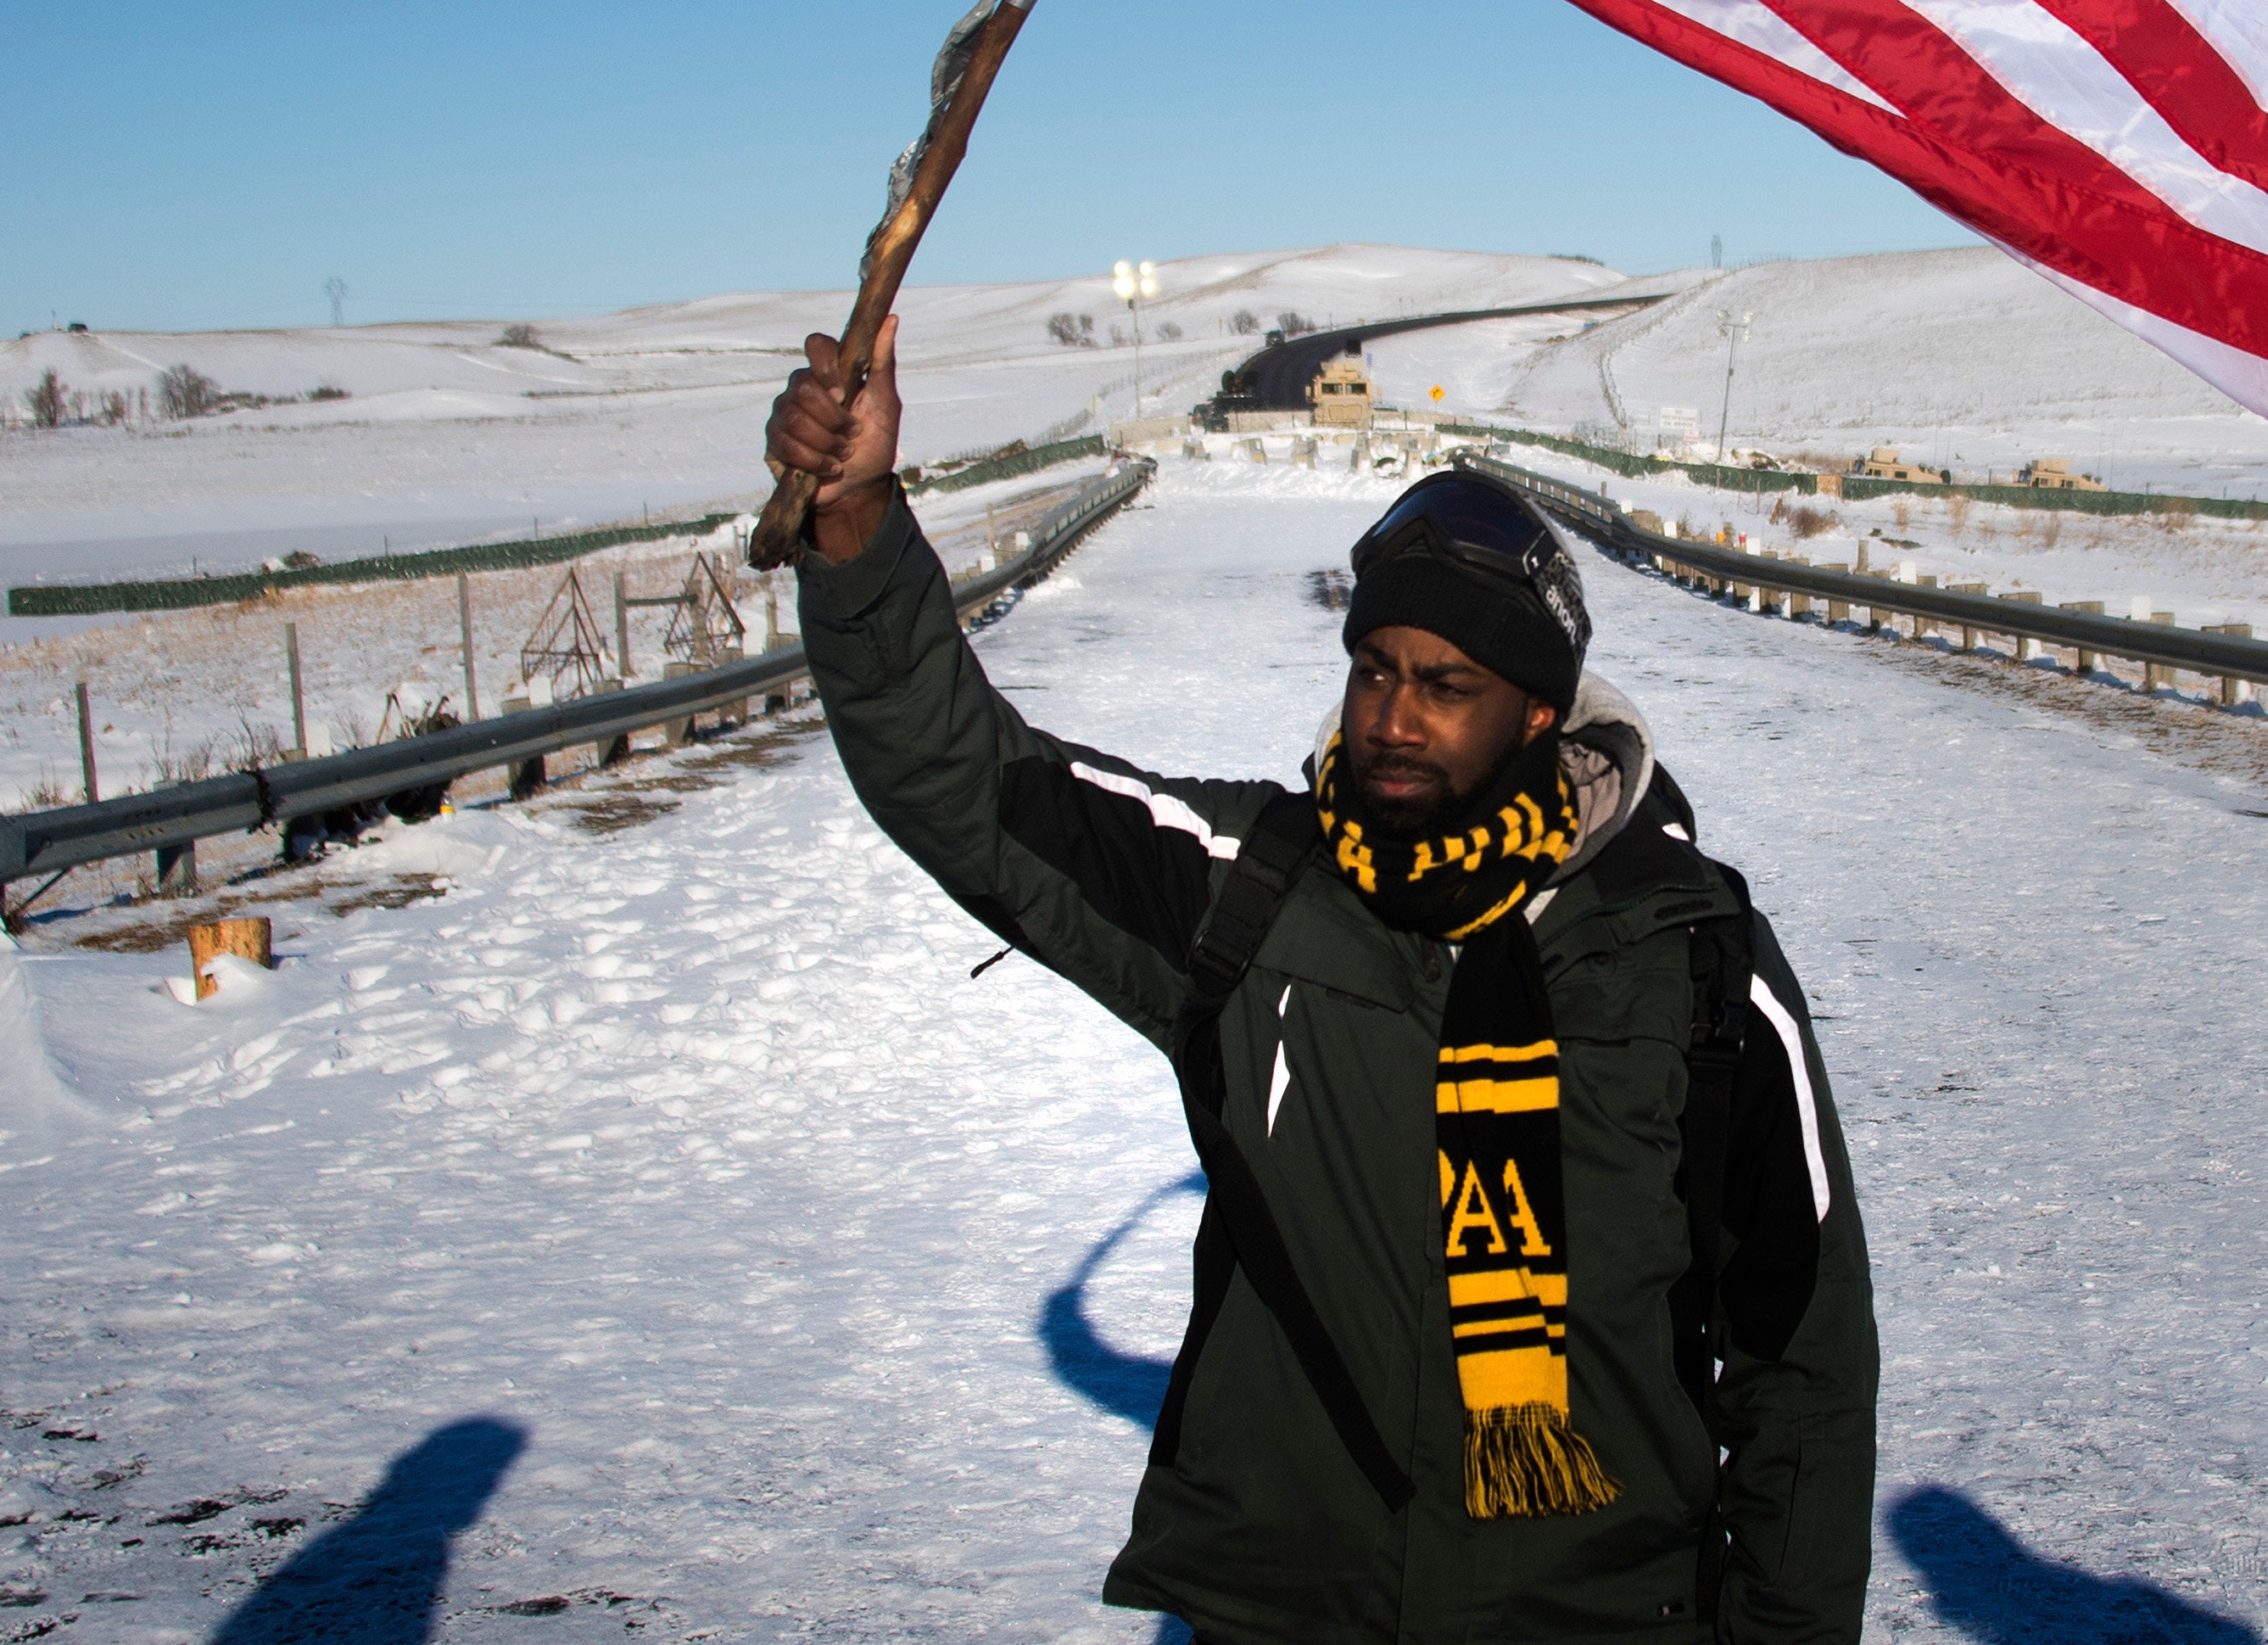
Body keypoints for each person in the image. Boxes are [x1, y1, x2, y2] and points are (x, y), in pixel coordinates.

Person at [767, 323, 1879, 1645]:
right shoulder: (1255, 892)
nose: (1393, 719)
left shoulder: (1694, 964)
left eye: (1446, 687)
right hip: (1283, 1616)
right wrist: (857, 527)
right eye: (1374, 672)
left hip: (1593, 1617)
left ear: (1537, 714)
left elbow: (1799, 1363)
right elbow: (974, 790)